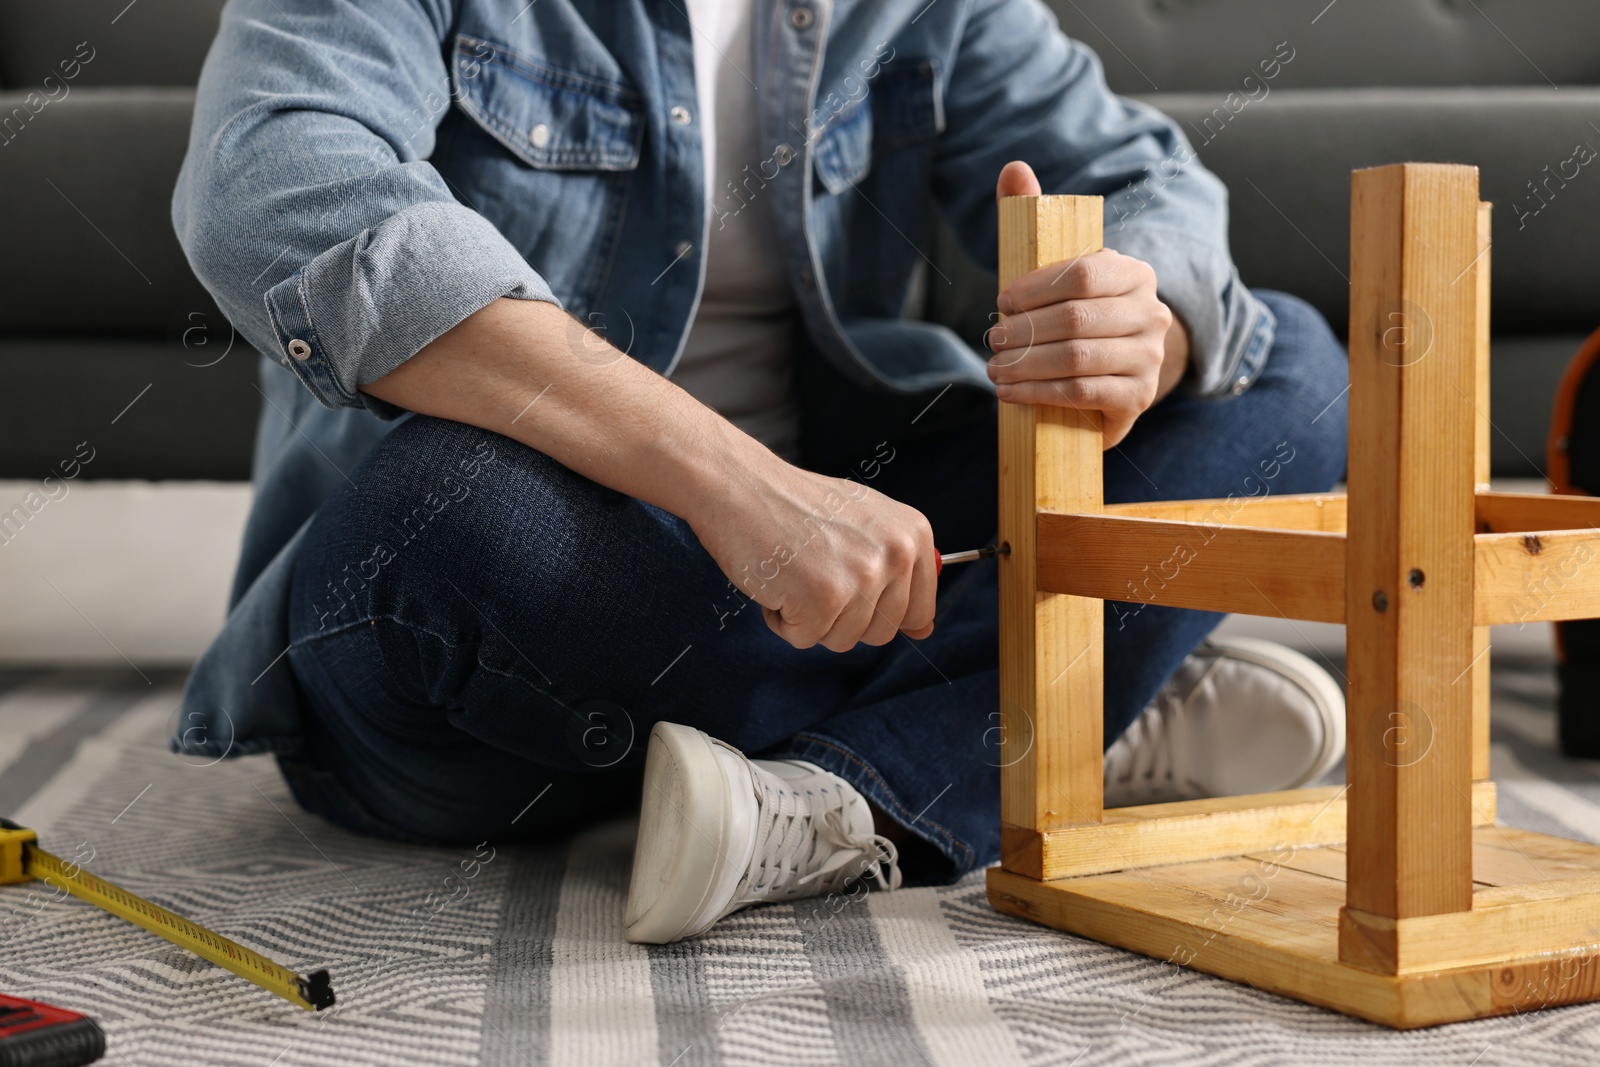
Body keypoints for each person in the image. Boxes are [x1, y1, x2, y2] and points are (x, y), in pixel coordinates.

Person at [172, 0, 1350, 945]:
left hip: (844, 562)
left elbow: (1148, 181)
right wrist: (733, 484)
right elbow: (271, 179)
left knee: (1286, 361)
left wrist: (1145, 317)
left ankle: (857, 784)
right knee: (438, 516)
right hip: (524, 628)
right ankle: (1053, 704)